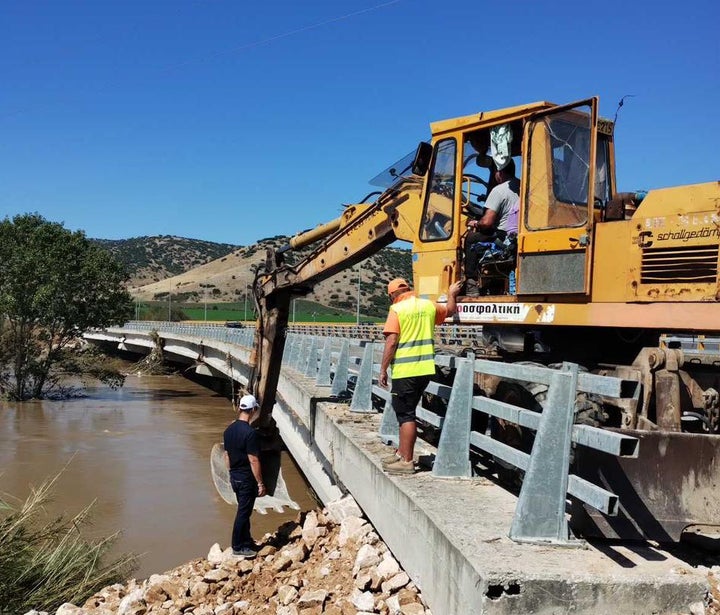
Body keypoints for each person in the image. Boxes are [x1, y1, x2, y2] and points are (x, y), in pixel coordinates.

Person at [379, 278, 461, 474]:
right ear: (409, 290)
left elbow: (391, 341)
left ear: (392, 296)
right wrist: (451, 294)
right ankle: (401, 453)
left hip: (406, 371)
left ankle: (406, 461)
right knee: (407, 410)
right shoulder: (428, 306)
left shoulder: (397, 310)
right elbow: (449, 311)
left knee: (405, 414)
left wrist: (383, 369)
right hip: (424, 370)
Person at [464, 159, 520, 296]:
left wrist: (476, 223)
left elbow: (487, 223)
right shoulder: (523, 186)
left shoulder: (499, 191)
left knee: (471, 239)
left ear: (499, 173)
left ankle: (471, 284)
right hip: (518, 236)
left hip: (503, 236)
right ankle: (494, 285)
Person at [223, 393, 267, 557]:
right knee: (243, 512)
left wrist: (231, 474)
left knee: (245, 511)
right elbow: (254, 460)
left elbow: (226, 455)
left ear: (240, 408)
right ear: (254, 409)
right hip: (246, 478)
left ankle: (247, 541)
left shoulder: (229, 430)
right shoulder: (250, 433)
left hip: (234, 476)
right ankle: (237, 546)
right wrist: (260, 483)